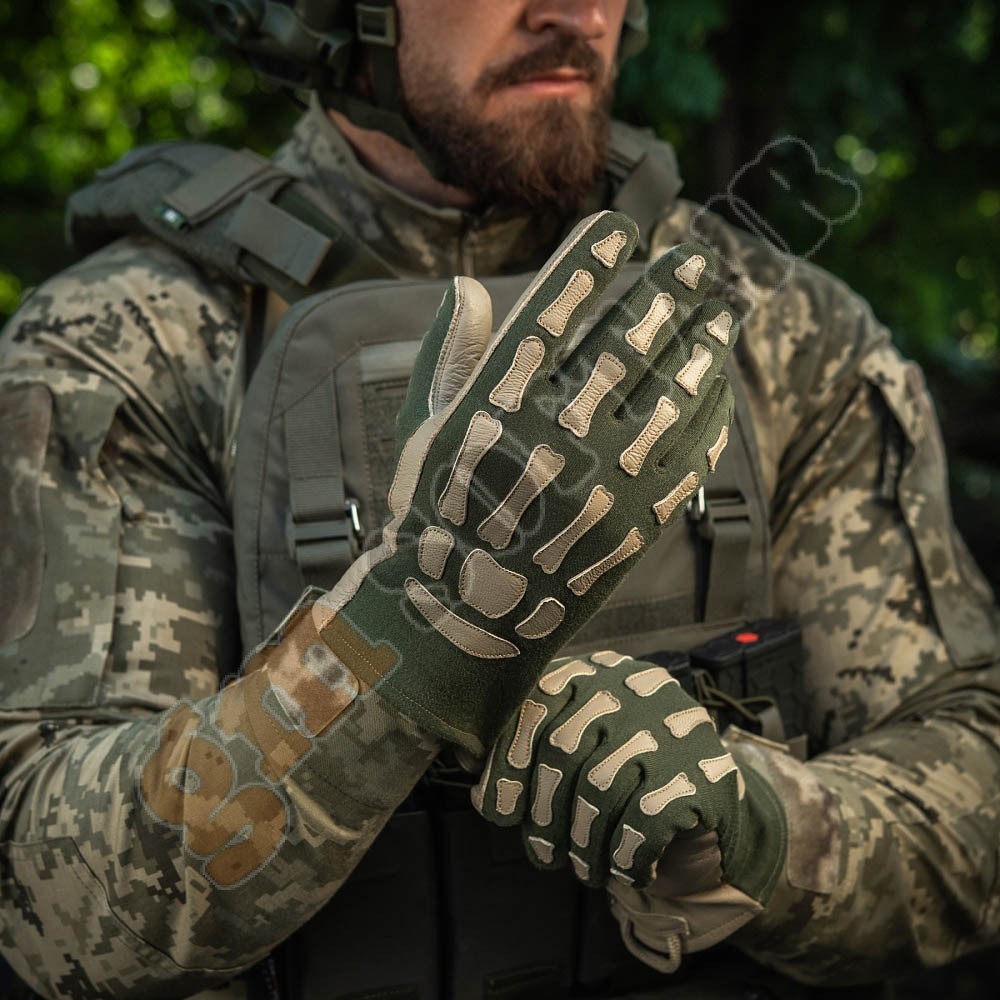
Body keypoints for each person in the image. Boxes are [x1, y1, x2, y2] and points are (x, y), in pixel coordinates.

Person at [0, 2, 997, 998]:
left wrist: (762, 836)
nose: (575, 12)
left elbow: (975, 781)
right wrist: (398, 650)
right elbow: (39, 891)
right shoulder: (138, 341)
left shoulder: (774, 326)